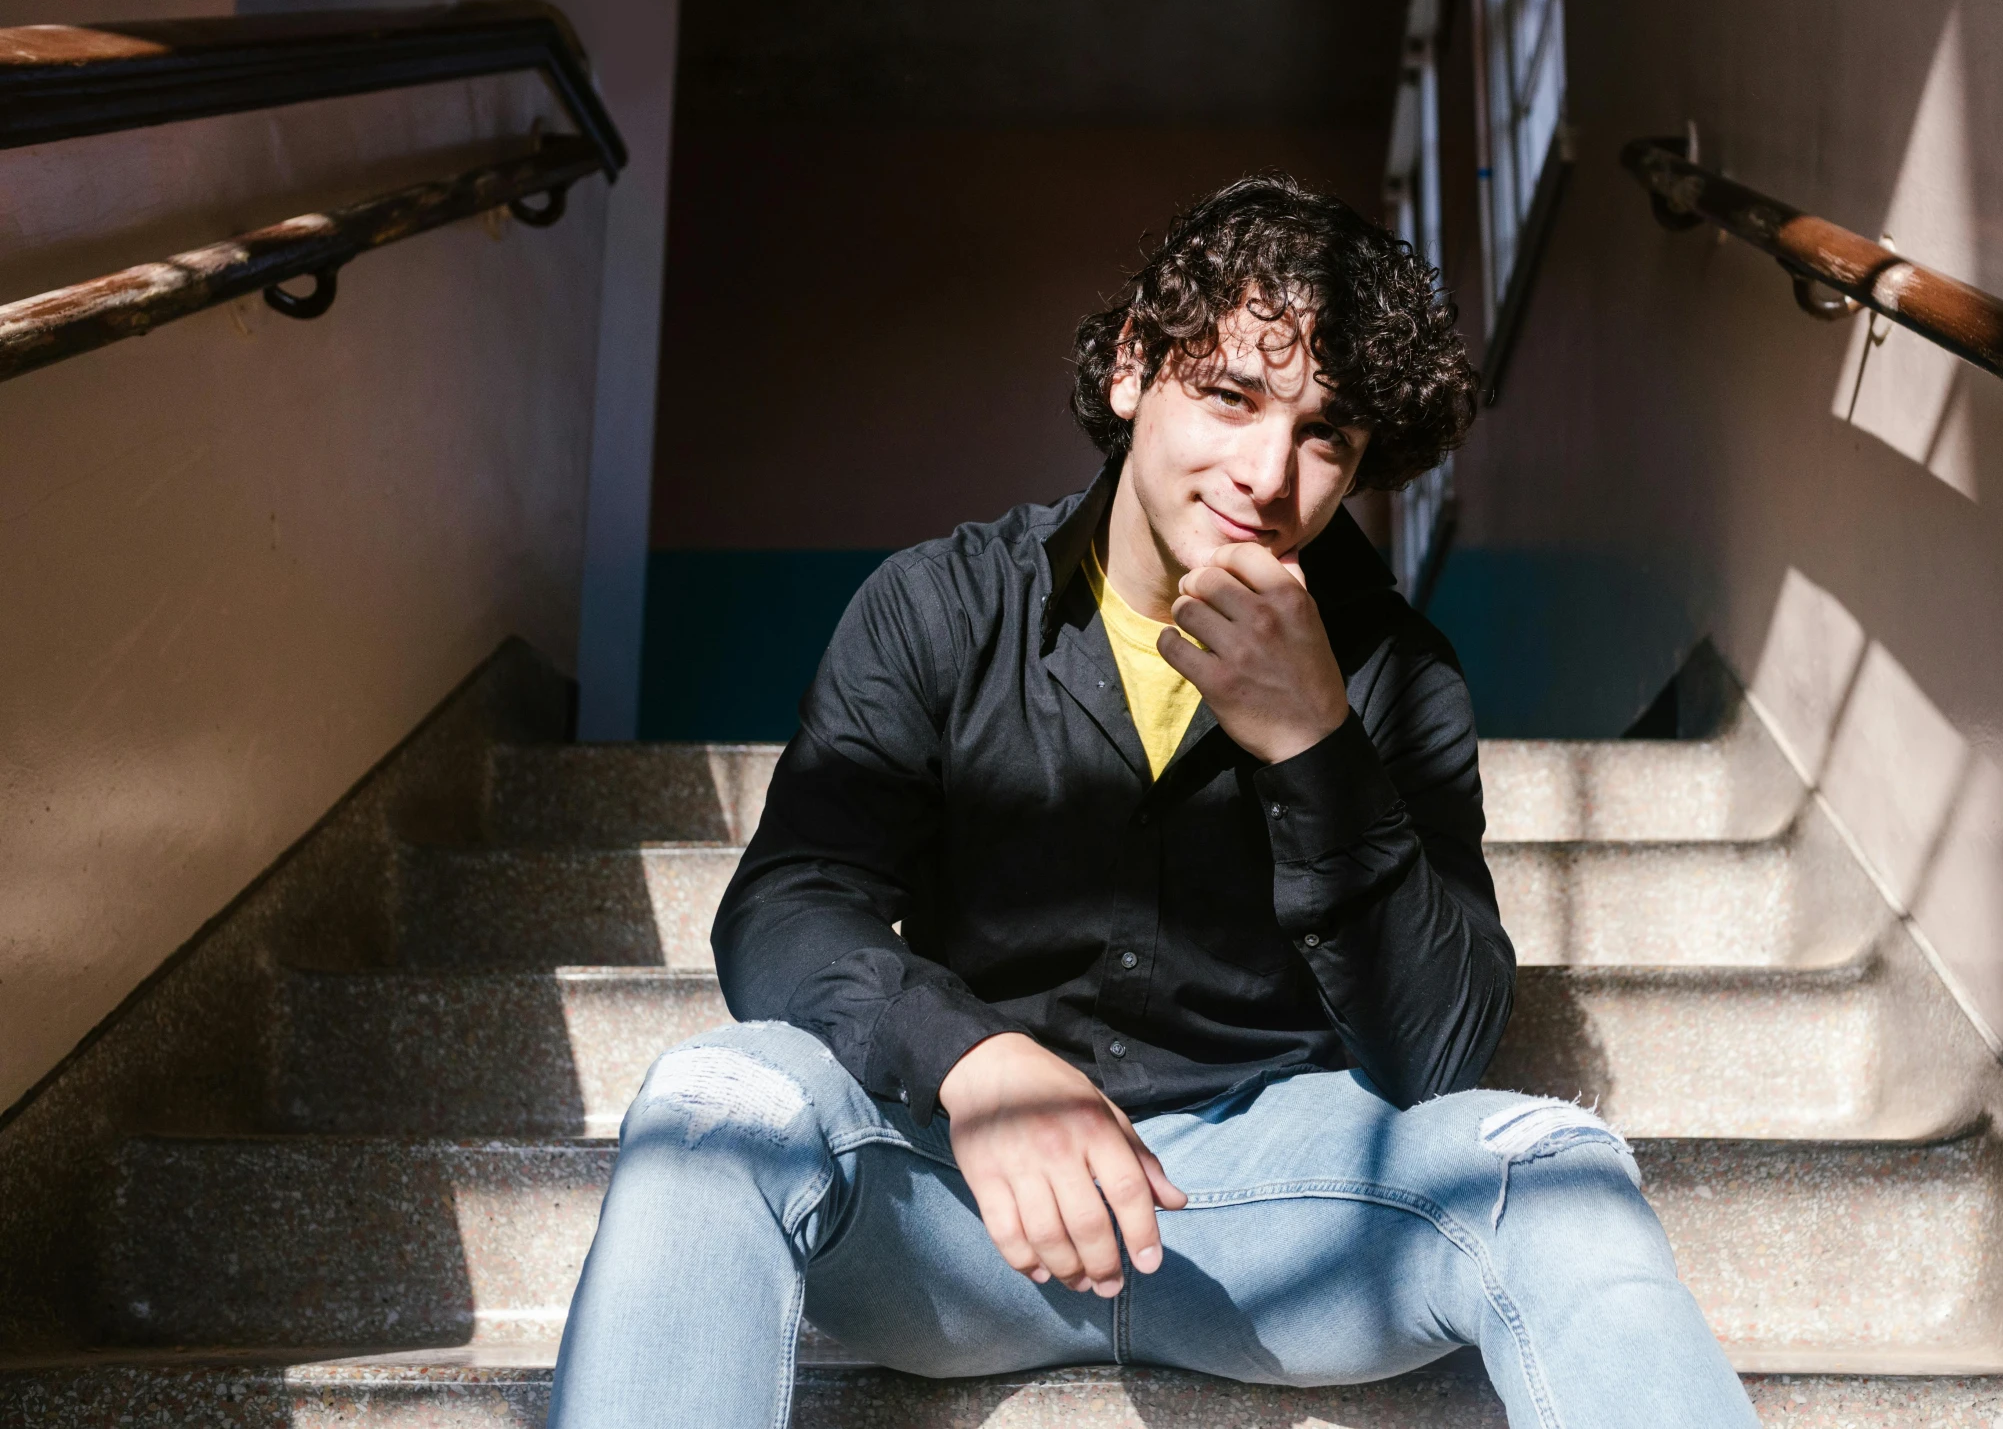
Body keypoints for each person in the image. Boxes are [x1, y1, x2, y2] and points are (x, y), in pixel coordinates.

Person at [548, 176, 1759, 1428]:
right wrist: (973, 1059)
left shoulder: (1396, 670)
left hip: (1274, 1224)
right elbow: (788, 902)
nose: (1266, 472)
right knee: (717, 1098)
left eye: (1325, 435)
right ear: (1135, 367)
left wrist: (1312, 742)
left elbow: (1441, 1045)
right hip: (960, 1206)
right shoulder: (938, 607)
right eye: (1231, 396)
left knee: (1555, 1170)